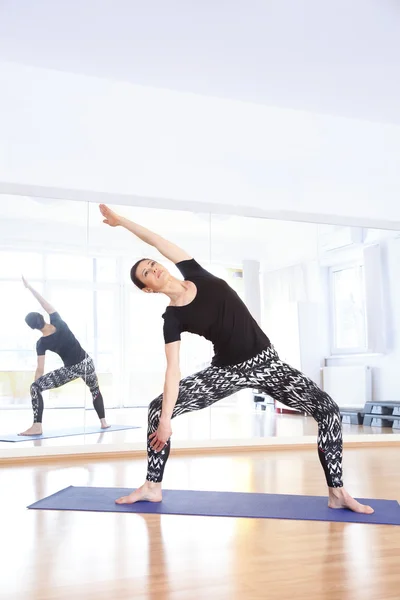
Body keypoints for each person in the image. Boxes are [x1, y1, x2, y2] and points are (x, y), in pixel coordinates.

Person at [100, 203, 373, 514]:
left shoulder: (195, 272)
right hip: (227, 371)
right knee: (155, 409)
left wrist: (121, 221)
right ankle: (152, 486)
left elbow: (156, 239)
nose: (154, 267)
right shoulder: (172, 318)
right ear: (148, 289)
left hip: (267, 363)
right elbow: (172, 369)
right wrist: (165, 420)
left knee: (328, 409)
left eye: (152, 263)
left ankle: (337, 492)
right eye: (146, 272)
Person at [19, 276, 109, 435]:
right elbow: (44, 303)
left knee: (35, 387)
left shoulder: (41, 343)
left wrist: (36, 390)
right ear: (42, 317)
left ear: (33, 328)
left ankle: (37, 425)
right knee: (95, 389)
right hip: (87, 362)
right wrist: (30, 287)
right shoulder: (58, 321)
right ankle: (103, 422)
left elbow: (40, 369)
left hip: (72, 369)